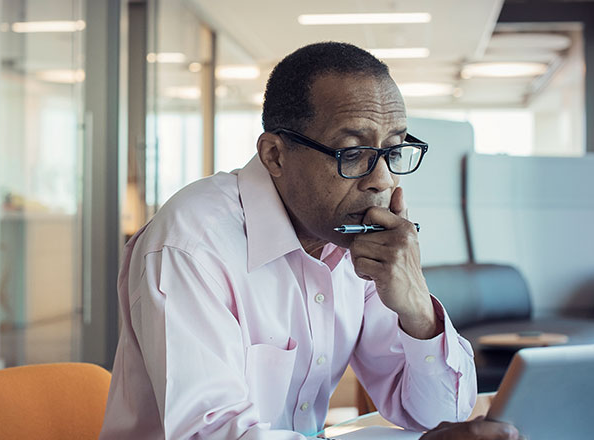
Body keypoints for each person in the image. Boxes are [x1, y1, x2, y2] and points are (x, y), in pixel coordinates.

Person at [99, 42, 518, 439]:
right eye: (352, 153)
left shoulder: (355, 239)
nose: (383, 181)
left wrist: (418, 310)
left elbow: (437, 416)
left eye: (392, 151)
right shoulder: (190, 247)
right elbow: (211, 433)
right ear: (275, 156)